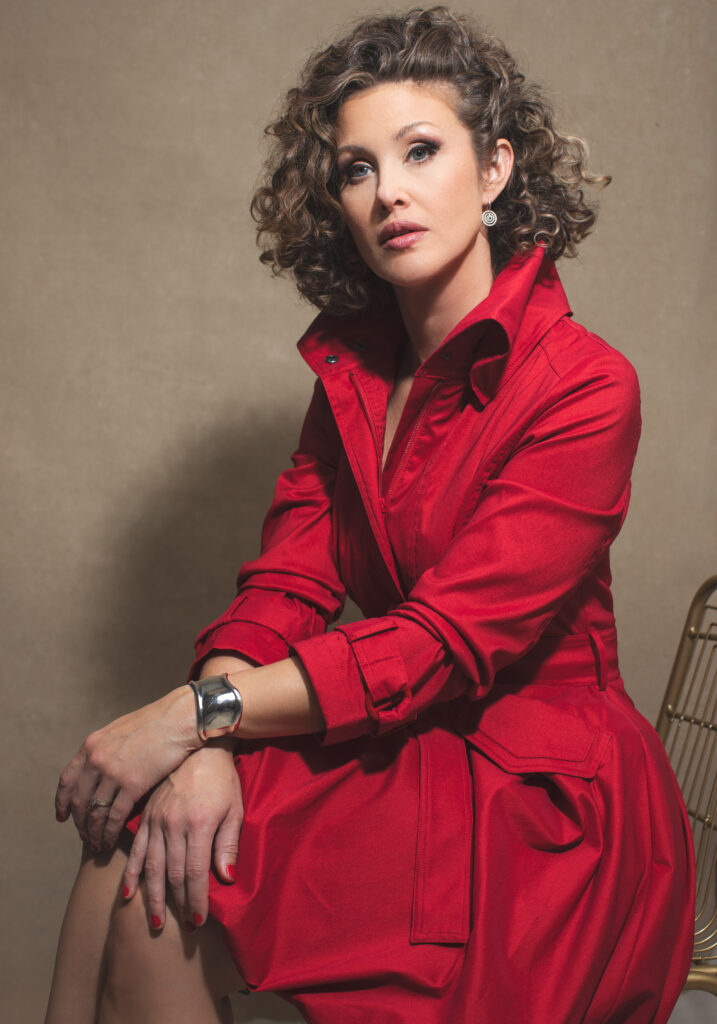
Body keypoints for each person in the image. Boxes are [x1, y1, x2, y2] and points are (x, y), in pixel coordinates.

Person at [45, 8, 695, 1024]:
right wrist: (206, 745)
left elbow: (446, 642)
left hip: (545, 800)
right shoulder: (354, 369)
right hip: (412, 736)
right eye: (357, 169)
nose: (388, 189)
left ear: (494, 174)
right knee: (136, 848)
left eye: (421, 151)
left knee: (158, 890)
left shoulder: (585, 386)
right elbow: (288, 582)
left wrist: (191, 713)